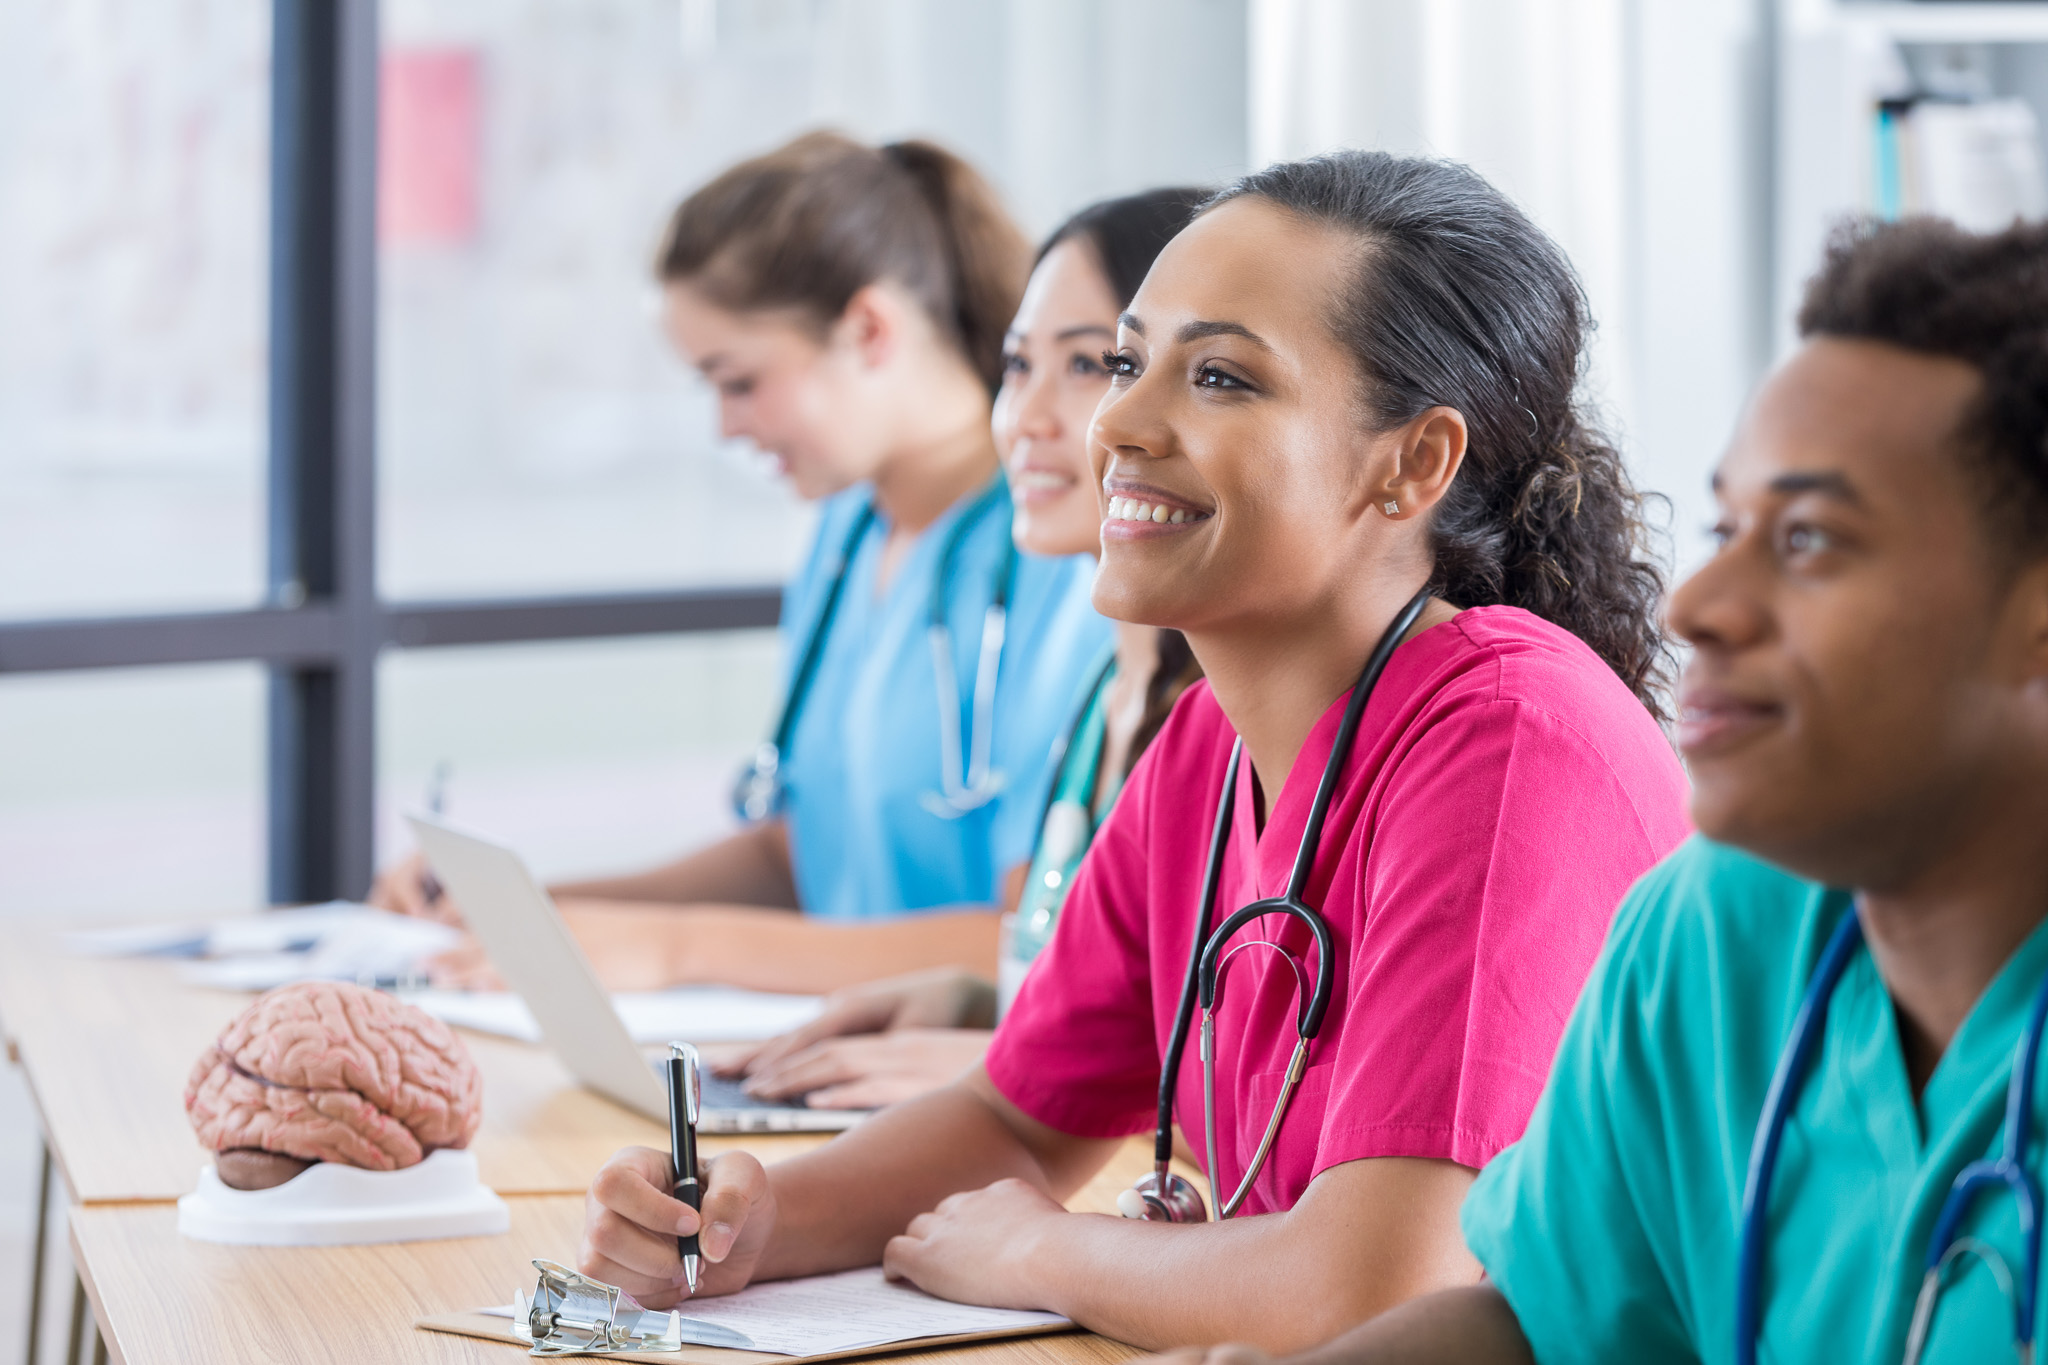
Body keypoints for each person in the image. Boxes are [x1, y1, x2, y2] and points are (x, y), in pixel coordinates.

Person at [577, 149, 1692, 1352]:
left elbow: (1388, 1286)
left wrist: (1041, 1250)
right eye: (1126, 361)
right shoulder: (1207, 745)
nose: (1114, 421)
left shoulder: (1511, 745)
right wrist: (749, 1219)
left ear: (1413, 463)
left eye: (1216, 377)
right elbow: (1016, 1117)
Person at [1138, 217, 2048, 1365]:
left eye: (1810, 540)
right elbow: (1536, 1322)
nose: (1697, 603)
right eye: (1727, 526)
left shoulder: (1510, 731)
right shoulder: (1717, 927)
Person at [373, 132, 1112, 994]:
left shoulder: (1066, 554)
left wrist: (676, 948)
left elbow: (1039, 940)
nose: (727, 427)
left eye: (739, 380)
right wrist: (521, 913)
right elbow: (801, 856)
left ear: (870, 330)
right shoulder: (848, 536)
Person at [724, 187, 1210, 1112]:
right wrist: (985, 1007)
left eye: (1093, 363)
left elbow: (1238, 1063)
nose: (1027, 415)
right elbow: (1110, 995)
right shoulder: (1110, 691)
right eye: (1017, 365)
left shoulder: (1224, 724)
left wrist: (1009, 1061)